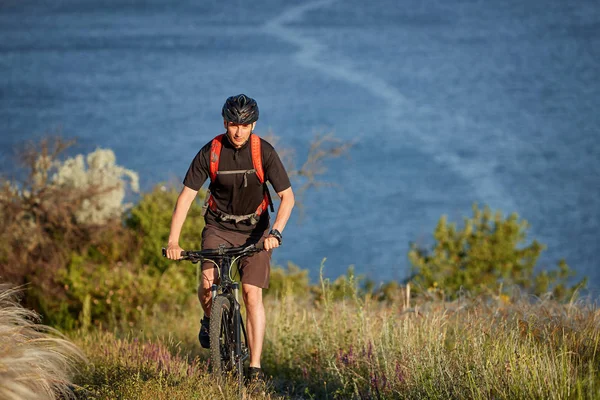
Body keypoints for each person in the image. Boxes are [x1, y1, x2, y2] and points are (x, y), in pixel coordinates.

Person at [165, 94, 295, 381]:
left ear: (254, 125)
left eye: (245, 125)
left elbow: (287, 198)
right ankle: (211, 319)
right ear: (225, 123)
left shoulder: (265, 152)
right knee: (207, 285)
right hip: (218, 226)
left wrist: (276, 232)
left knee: (251, 293)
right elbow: (186, 197)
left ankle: (255, 367)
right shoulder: (210, 152)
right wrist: (173, 241)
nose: (238, 131)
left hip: (256, 231)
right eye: (234, 124)